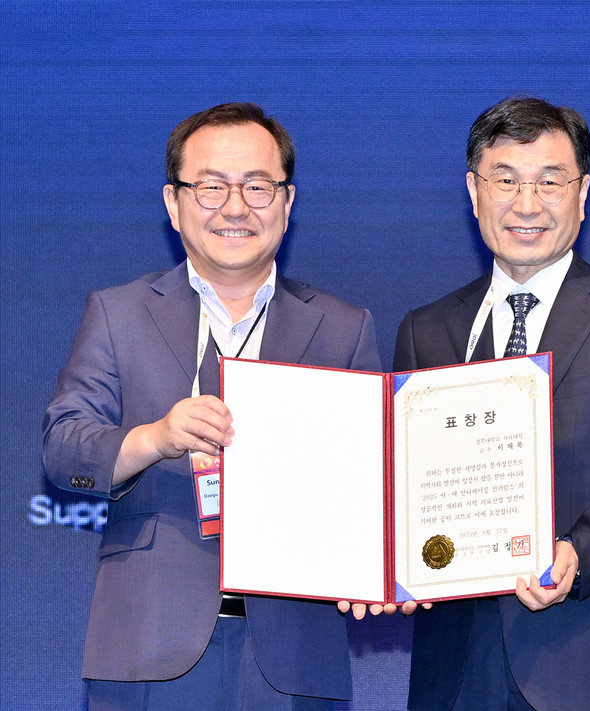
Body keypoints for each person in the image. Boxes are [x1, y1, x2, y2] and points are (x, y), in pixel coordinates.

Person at [43, 102, 382, 710]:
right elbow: (64, 448)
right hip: (150, 642)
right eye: (211, 186)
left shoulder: (343, 328)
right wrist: (155, 437)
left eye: (257, 186)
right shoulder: (118, 313)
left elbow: (371, 484)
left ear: (287, 202)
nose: (235, 207)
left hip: (296, 653)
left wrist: (373, 564)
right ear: (174, 203)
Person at [394, 97, 590, 711]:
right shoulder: (425, 329)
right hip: (455, 669)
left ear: (582, 194)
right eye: (505, 180)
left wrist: (577, 553)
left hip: (589, 658)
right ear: (474, 191)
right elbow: (397, 486)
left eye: (550, 181)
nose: (526, 204)